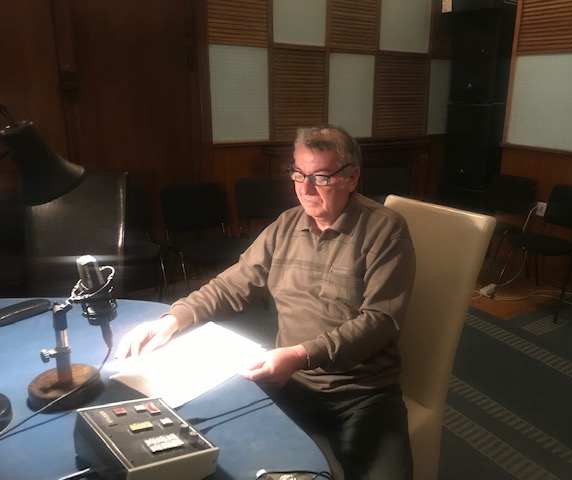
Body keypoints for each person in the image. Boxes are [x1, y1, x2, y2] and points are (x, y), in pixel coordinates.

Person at [116, 125, 416, 479]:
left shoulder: (385, 230)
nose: (305, 189)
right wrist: (172, 320)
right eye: (299, 174)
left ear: (352, 178)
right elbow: (233, 283)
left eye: (320, 177)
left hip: (361, 394)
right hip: (289, 384)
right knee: (215, 458)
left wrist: (300, 355)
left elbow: (380, 322)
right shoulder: (286, 225)